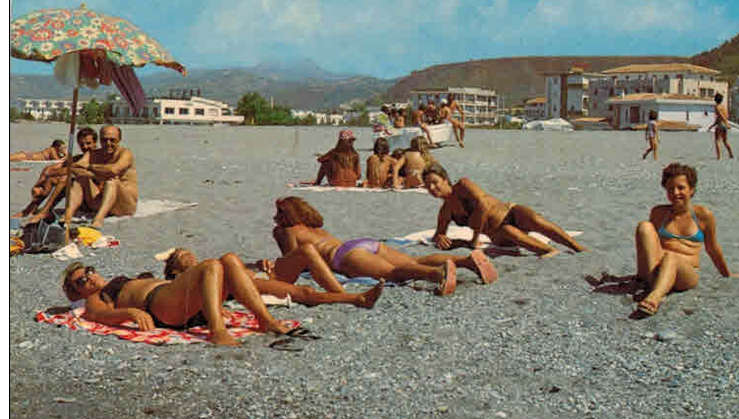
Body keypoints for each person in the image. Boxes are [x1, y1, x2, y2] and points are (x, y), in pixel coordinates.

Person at [269, 196, 498, 296]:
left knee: (393, 273)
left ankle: (436, 274)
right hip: (361, 244)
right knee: (412, 262)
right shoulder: (313, 226)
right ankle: (466, 261)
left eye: (278, 214)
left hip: (343, 257)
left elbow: (294, 259)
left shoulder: (287, 231)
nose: (275, 218)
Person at [60, 258, 294, 346]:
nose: (89, 277)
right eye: (81, 280)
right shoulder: (93, 299)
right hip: (161, 306)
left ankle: (266, 320)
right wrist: (131, 312)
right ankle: (217, 330)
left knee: (230, 260)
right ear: (77, 292)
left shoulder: (116, 280)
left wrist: (213, 303)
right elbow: (98, 316)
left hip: (179, 300)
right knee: (211, 265)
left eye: (89, 271)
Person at [632, 162, 737, 318]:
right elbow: (648, 245)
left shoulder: (703, 215)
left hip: (685, 274)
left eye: (681, 188)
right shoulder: (659, 212)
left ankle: (656, 296)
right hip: (657, 269)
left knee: (672, 256)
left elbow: (712, 248)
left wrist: (726, 274)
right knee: (644, 227)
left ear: (691, 189)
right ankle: (649, 281)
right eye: (670, 189)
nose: (675, 193)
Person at [422, 162, 586, 258]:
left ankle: (577, 247)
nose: (432, 187)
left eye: (435, 182)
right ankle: (550, 251)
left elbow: (484, 203)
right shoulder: (445, 211)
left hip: (509, 211)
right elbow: (438, 234)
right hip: (498, 232)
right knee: (508, 231)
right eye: (428, 185)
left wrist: (474, 236)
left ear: (445, 180)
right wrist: (440, 237)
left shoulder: (463, 185)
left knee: (532, 218)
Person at [162, 247, 383, 309]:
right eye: (182, 255)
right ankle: (357, 299)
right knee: (304, 293)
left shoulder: (206, 266)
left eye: (187, 251)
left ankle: (341, 294)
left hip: (263, 273)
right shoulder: (187, 280)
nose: (189, 254)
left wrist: (258, 264)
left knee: (306, 250)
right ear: (174, 271)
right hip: (251, 284)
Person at [13, 128, 98, 221]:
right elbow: (49, 169)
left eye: (88, 143)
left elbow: (68, 171)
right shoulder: (79, 158)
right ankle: (30, 208)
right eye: (82, 144)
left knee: (65, 179)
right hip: (81, 201)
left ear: (95, 142)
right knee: (52, 180)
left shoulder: (98, 156)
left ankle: (45, 211)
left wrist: (53, 173)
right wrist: (39, 185)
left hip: (95, 201)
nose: (85, 147)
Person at [63, 125, 138, 229]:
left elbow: (113, 170)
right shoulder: (94, 154)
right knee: (80, 179)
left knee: (112, 181)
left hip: (124, 205)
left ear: (119, 139)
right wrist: (96, 175)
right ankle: (68, 215)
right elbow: (74, 167)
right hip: (101, 200)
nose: (108, 144)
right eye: (104, 140)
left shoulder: (125, 154)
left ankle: (98, 219)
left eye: (112, 140)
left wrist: (90, 167)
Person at [708, 93, 734, 160]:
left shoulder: (717, 107)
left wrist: (726, 123)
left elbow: (720, 116)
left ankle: (719, 157)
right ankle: (731, 154)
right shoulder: (723, 107)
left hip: (720, 125)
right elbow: (726, 116)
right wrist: (712, 125)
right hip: (724, 124)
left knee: (717, 141)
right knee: (725, 141)